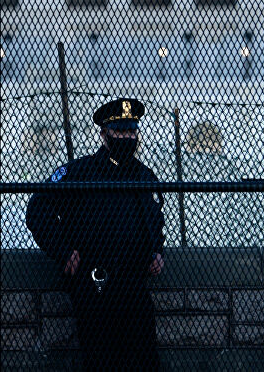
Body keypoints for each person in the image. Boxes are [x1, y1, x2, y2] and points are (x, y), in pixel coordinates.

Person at [26, 98, 164, 372]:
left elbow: (154, 220)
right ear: (104, 135)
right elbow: (37, 208)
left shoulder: (143, 175)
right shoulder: (79, 173)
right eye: (120, 132)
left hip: (133, 282)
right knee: (101, 358)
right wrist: (63, 251)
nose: (127, 137)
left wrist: (158, 251)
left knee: (145, 358)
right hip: (94, 284)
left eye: (131, 132)